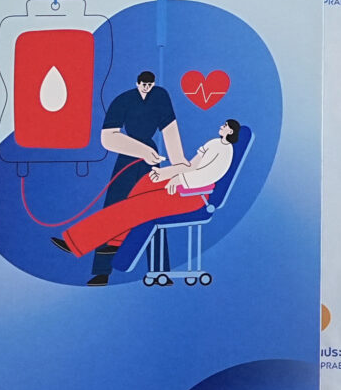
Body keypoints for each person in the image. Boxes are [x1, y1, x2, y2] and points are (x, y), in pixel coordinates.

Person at [53, 119, 243, 258]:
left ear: (230, 131)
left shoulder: (226, 152)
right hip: (184, 183)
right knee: (146, 181)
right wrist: (165, 173)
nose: (222, 126)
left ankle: (76, 241)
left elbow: (210, 175)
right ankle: (118, 241)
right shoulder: (213, 143)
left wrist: (179, 179)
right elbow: (191, 165)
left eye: (226, 125)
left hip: (195, 195)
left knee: (136, 207)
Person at [83, 70, 183, 285]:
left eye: (150, 84)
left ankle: (160, 270)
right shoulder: (123, 100)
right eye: (143, 83)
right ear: (137, 83)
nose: (146, 87)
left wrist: (179, 166)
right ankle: (102, 271)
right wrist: (142, 151)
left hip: (152, 162)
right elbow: (108, 138)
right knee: (114, 210)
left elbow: (170, 133)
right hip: (127, 156)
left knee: (154, 212)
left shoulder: (161, 96)